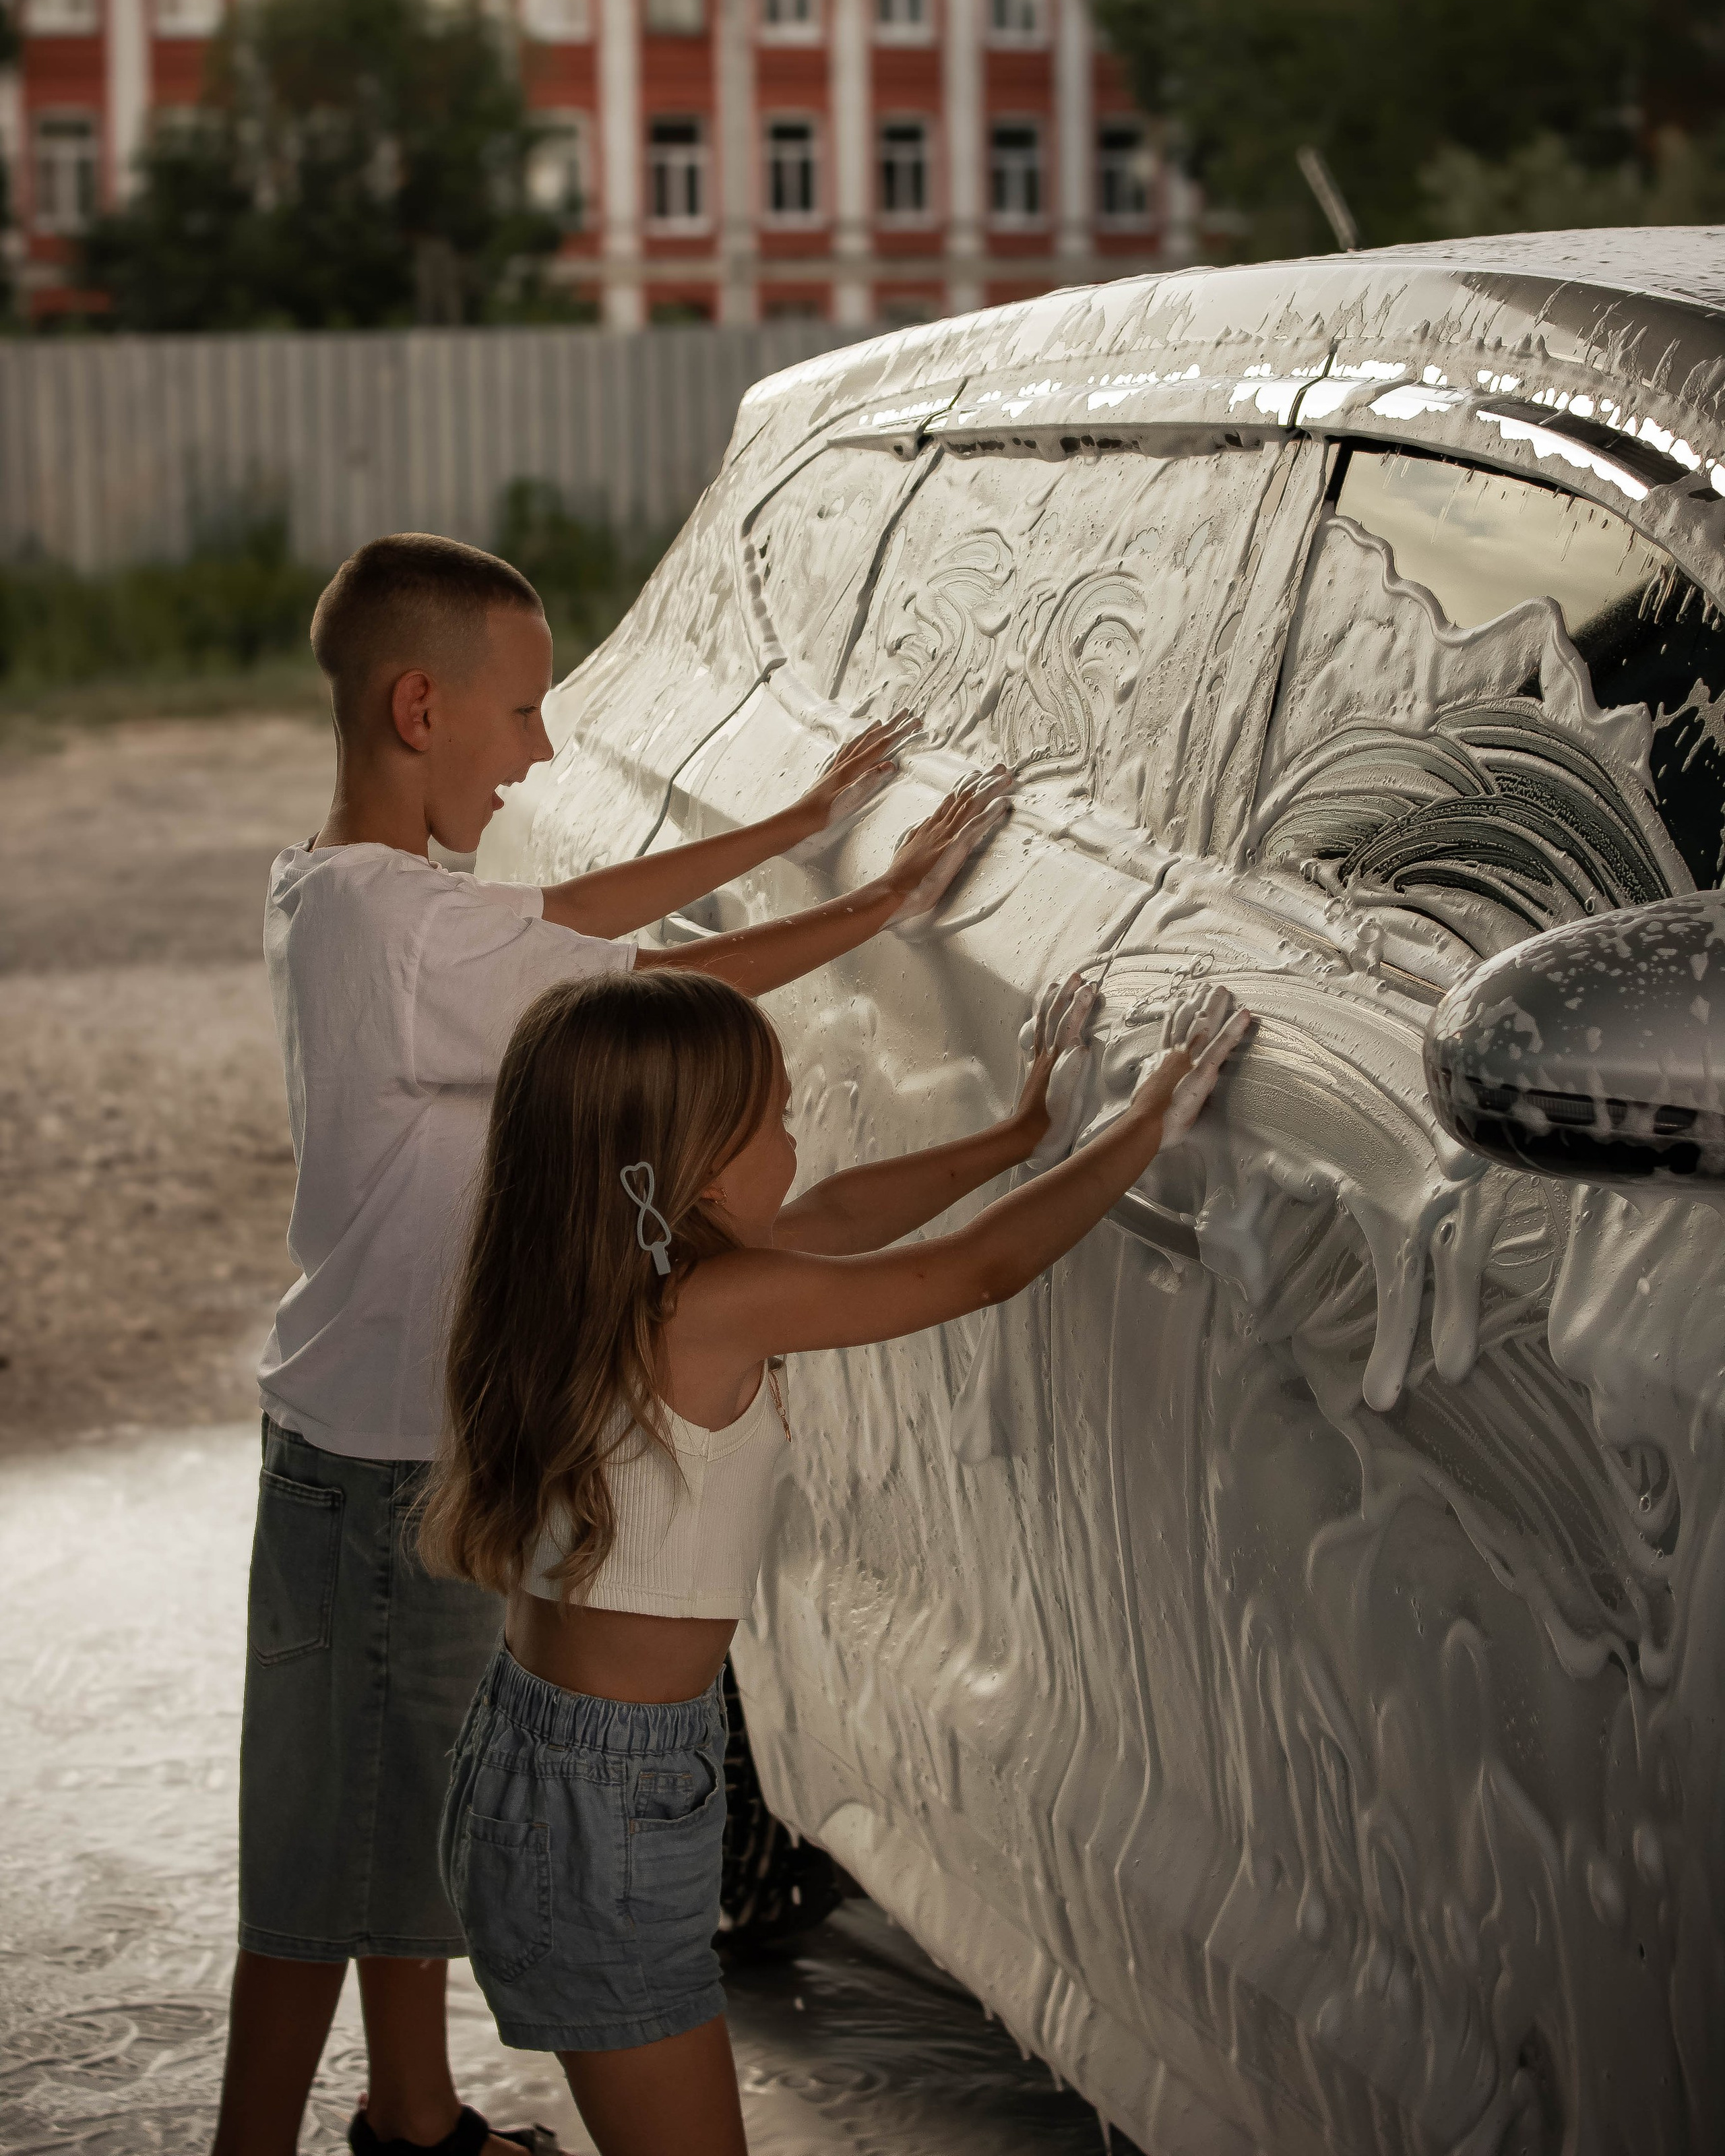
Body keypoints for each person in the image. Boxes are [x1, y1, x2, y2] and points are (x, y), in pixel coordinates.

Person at [212, 532, 1009, 2156]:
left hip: (368, 1441)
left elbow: (563, 920)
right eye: (521, 712)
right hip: (380, 1461)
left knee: (387, 1814)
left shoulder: (354, 893)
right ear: (418, 707)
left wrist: (791, 828)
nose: (546, 748)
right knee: (324, 1860)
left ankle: (414, 2120)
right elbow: (647, 981)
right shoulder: (405, 932)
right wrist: (865, 899)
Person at [420, 964, 1253, 2156]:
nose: (796, 1142)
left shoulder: (613, 1275)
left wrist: (1019, 1134)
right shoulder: (711, 1304)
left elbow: (842, 1217)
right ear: (696, 1168)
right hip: (604, 1807)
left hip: (547, 1765)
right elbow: (976, 1273)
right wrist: (1137, 1130)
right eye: (777, 1121)